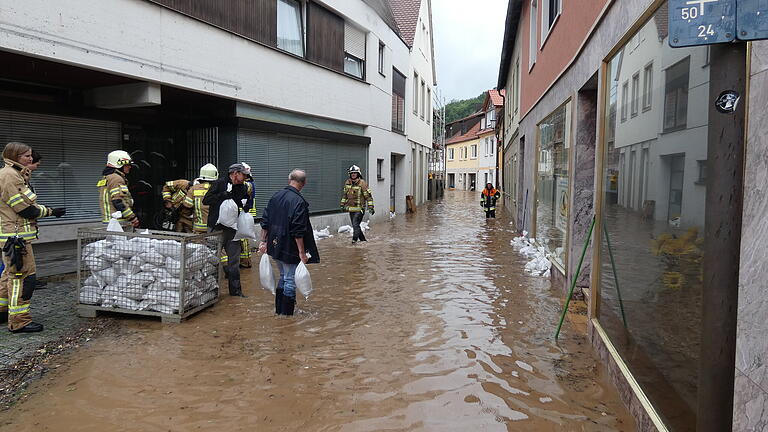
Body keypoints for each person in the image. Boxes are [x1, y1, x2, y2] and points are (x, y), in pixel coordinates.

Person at [0, 142, 65, 332]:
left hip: (14, 237)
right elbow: (25, 209)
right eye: (26, 156)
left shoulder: (14, 174)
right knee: (23, 278)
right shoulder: (11, 176)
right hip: (17, 239)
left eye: (30, 156)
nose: (30, 159)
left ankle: (3, 311)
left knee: (9, 276)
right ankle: (20, 321)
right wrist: (51, 211)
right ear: (14, 156)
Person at [259, 169, 319, 316]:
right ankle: (286, 316)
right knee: (290, 279)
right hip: (288, 247)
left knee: (284, 277)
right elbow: (298, 230)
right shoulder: (299, 201)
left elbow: (265, 221)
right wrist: (302, 252)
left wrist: (263, 241)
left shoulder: (276, 196)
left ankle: (279, 311)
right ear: (304, 183)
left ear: (289, 180)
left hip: (274, 245)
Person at [202, 163, 250, 297]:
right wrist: (224, 194)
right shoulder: (219, 183)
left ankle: (236, 292)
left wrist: (246, 203)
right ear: (235, 173)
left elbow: (243, 203)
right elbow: (206, 200)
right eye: (243, 175)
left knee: (234, 262)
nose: (245, 178)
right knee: (211, 260)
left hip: (233, 229)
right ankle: (209, 293)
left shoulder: (242, 187)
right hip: (216, 228)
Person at [98, 150, 139, 229]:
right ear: (119, 165)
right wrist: (132, 218)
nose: (130, 167)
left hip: (111, 220)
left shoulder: (108, 177)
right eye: (127, 164)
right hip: (119, 222)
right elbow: (118, 201)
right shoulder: (116, 179)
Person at [339, 165, 374, 243]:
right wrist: (342, 205)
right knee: (356, 226)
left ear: (358, 174)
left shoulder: (362, 183)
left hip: (360, 209)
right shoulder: (347, 183)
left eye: (355, 173)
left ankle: (354, 241)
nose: (353, 174)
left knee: (355, 224)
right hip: (351, 209)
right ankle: (363, 241)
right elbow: (344, 195)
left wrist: (371, 207)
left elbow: (368, 196)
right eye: (352, 173)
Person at [182, 164, 218, 234]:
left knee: (198, 245)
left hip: (199, 229)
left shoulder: (194, 189)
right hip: (214, 228)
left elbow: (187, 205)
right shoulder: (218, 189)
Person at [239, 162, 257, 269]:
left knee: (243, 239)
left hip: (244, 215)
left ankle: (245, 261)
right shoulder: (249, 184)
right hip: (245, 215)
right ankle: (245, 260)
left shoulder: (248, 185)